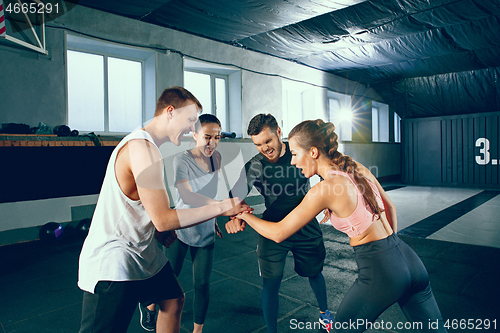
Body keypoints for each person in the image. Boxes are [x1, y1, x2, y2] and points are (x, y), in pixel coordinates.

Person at [233, 119, 448, 333]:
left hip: (380, 270)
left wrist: (245, 215)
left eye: (296, 154)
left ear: (314, 153)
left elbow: (279, 233)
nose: (293, 162)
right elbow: (390, 208)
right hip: (409, 259)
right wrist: (393, 254)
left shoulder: (325, 189)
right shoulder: (355, 167)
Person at [77, 87, 246, 333]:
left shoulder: (151, 149)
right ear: (170, 112)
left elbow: (144, 205)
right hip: (115, 260)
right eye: (189, 120)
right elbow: (163, 219)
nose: (192, 128)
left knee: (173, 299)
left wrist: (155, 232)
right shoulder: (141, 148)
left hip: (144, 253)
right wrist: (221, 207)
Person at [225, 114, 334, 333]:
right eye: (258, 144)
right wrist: (235, 216)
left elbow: (324, 167)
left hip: (306, 223)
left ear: (279, 133)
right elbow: (233, 197)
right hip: (273, 226)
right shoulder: (255, 166)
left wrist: (328, 198)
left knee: (315, 273)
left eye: (268, 141)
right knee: (270, 283)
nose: (264, 148)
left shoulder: (298, 152)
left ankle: (326, 316)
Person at [138, 114, 227, 333]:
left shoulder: (217, 159)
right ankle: (149, 306)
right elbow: (186, 196)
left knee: (202, 285)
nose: (212, 142)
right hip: (180, 228)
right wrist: (221, 206)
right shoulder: (181, 160)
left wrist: (212, 218)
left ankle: (198, 331)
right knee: (169, 276)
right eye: (207, 136)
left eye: (217, 137)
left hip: (204, 230)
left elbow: (210, 191)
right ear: (194, 134)